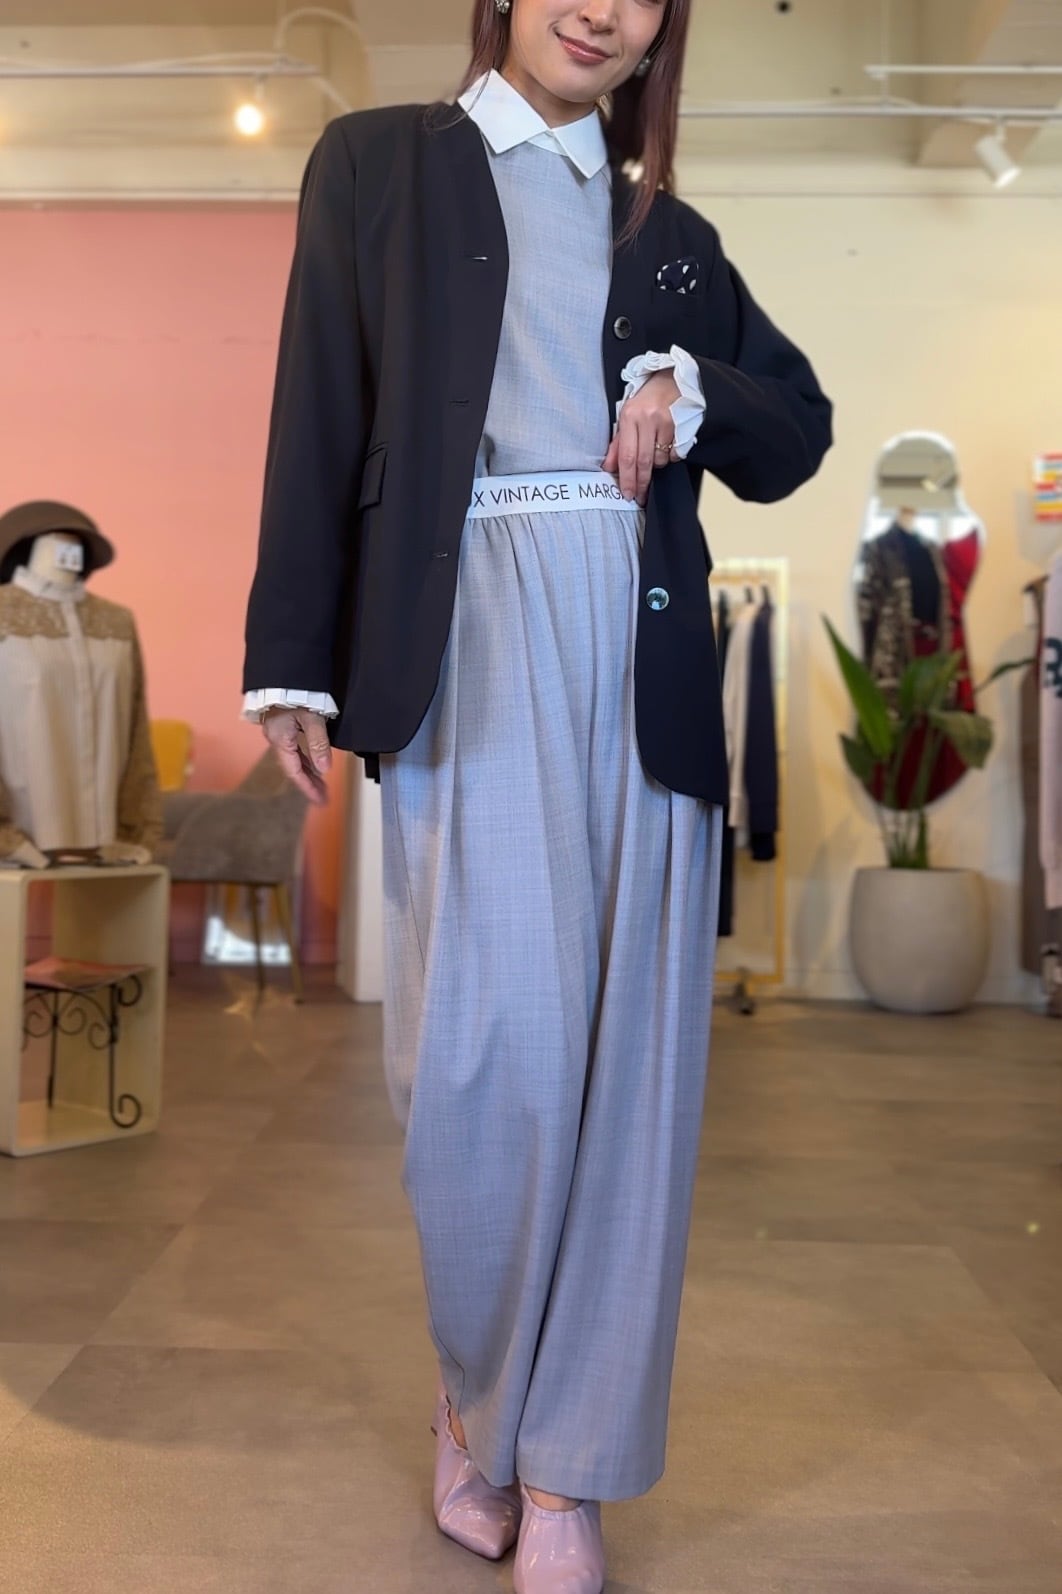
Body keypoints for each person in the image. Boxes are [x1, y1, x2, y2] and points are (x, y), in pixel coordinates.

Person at [242, 2, 833, 1588]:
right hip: (468, 635)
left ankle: (567, 1470)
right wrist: (292, 654)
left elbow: (797, 427)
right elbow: (318, 401)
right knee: (486, 1067)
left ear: (660, 31)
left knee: (632, 1080)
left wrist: (692, 391)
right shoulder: (377, 163)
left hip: (642, 648)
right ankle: (478, 1403)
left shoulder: (670, 236)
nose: (602, 7)